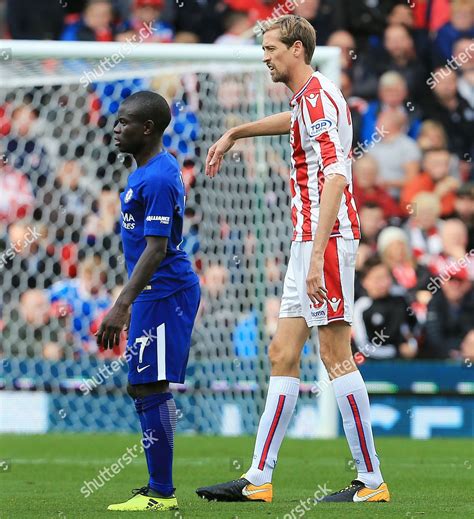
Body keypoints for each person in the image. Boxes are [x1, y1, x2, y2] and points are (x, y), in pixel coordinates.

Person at [196, 15, 390, 504]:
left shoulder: (321, 96)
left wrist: (316, 253)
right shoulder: (307, 98)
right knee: (282, 353)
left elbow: (337, 177)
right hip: (307, 241)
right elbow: (295, 123)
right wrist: (238, 131)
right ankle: (258, 478)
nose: (265, 56)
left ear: (298, 49)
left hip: (325, 239)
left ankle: (371, 481)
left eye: (271, 47)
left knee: (334, 357)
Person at [97, 91, 200, 511]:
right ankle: (159, 489)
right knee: (141, 385)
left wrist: (122, 304)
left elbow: (156, 248)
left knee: (148, 385)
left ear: (148, 129)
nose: (116, 128)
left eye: (124, 122)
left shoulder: (156, 177)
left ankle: (162, 494)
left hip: (164, 292)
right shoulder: (148, 170)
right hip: (155, 293)